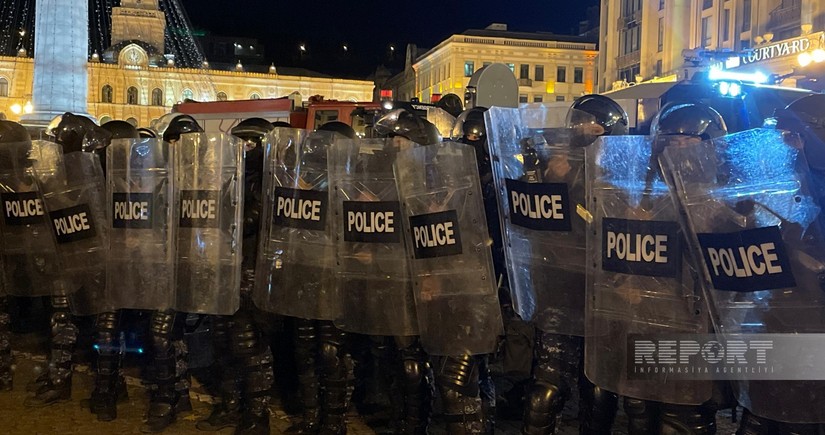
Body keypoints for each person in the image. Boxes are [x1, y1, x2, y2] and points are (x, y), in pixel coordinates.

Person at [196, 117, 276, 435]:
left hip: (251, 269)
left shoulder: (269, 180)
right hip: (226, 265)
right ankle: (230, 404)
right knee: (221, 339)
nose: (241, 149)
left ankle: (257, 414)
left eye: (248, 143)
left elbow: (248, 218)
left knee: (248, 343)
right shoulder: (233, 178)